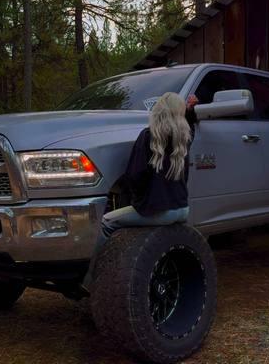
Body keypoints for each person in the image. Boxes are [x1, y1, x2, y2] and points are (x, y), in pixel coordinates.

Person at [81, 92, 199, 292]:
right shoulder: (184, 139)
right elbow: (191, 128)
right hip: (181, 209)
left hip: (157, 211)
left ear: (158, 111)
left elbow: (135, 175)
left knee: (106, 222)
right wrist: (191, 110)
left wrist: (135, 200)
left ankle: (91, 280)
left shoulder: (148, 136)